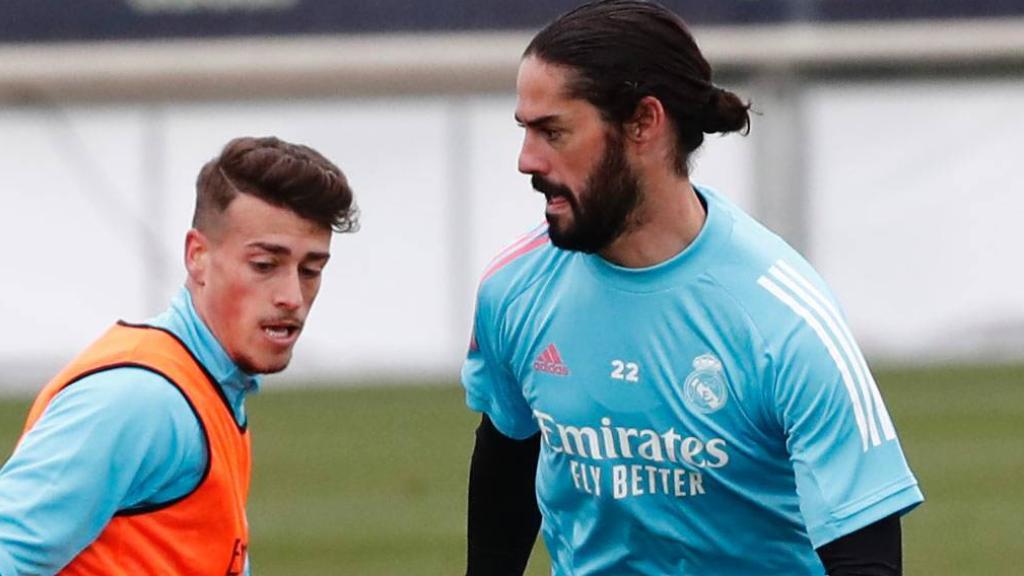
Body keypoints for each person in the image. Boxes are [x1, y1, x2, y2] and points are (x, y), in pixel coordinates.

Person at [461, 1, 923, 574]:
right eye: (525, 130)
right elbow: (508, 456)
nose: (526, 160)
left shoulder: (781, 318)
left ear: (643, 123)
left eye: (553, 131)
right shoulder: (514, 287)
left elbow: (866, 554)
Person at [0, 136, 358, 575]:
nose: (291, 296)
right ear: (198, 257)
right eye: (265, 265)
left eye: (310, 270)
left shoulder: (210, 386)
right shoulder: (140, 398)